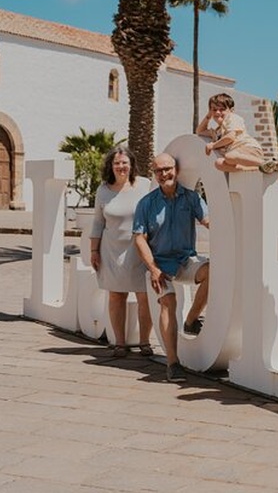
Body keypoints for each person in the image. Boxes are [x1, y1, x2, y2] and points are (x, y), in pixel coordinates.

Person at [133, 153, 210, 383]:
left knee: (213, 272)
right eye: (159, 170)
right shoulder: (146, 203)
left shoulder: (191, 198)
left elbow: (208, 220)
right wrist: (153, 269)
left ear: (176, 170)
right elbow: (139, 239)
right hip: (159, 265)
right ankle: (173, 363)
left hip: (185, 260)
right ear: (154, 174)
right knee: (168, 302)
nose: (164, 174)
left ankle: (191, 320)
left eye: (167, 169)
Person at [89, 146, 154, 358]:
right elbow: (98, 222)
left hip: (140, 249)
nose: (121, 166)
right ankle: (119, 343)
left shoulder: (145, 185)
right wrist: (94, 250)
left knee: (144, 296)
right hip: (111, 251)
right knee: (116, 296)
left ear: (132, 164)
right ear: (110, 166)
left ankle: (145, 342)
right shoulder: (103, 190)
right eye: (116, 163)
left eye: (124, 162)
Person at [197, 92, 278, 174]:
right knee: (219, 163)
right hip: (237, 157)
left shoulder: (232, 118)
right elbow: (199, 131)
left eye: (222, 109)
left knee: (229, 156)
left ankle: (265, 163)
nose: (217, 112)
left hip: (249, 148)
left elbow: (230, 137)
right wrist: (208, 116)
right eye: (214, 109)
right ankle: (257, 168)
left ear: (231, 110)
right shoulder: (216, 132)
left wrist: (213, 145)